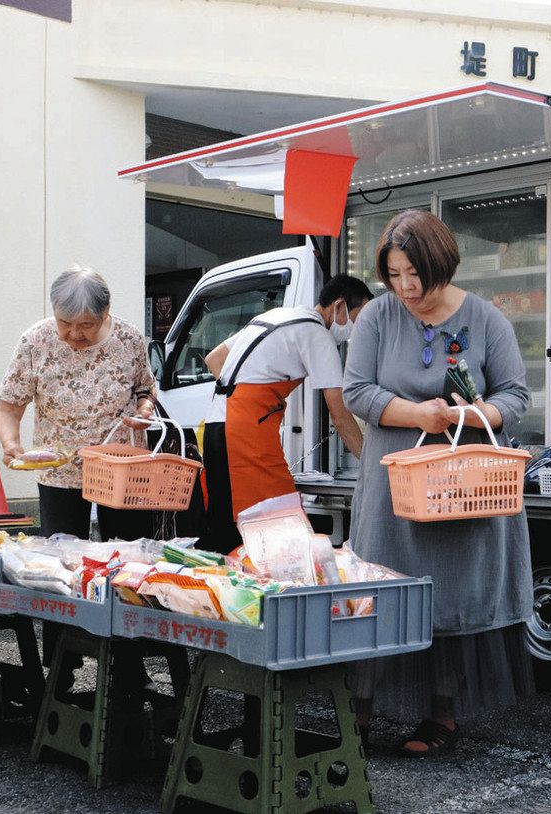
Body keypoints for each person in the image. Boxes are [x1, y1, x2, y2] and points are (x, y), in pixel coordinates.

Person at [342, 210, 534, 756]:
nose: (405, 288)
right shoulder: (377, 317)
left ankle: (441, 714)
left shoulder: (487, 319)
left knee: (448, 587)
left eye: (414, 275)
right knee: (378, 586)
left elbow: (515, 398)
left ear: (441, 265)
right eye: (394, 275)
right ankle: (357, 710)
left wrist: (471, 416)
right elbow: (356, 391)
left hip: (461, 483)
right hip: (394, 483)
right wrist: (414, 413)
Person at [200, 275, 372, 552]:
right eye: (358, 318)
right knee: (276, 525)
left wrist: (251, 395)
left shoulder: (278, 314)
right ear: (339, 306)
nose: (355, 330)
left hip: (216, 426)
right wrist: (371, 462)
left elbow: (214, 359)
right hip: (245, 434)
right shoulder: (317, 334)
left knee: (224, 527)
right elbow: (340, 416)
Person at [0, 265, 156, 541]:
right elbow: (8, 406)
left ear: (105, 312)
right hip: (60, 470)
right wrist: (11, 444)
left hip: (120, 468)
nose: (74, 334)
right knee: (63, 553)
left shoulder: (128, 339)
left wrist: (145, 409)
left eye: (85, 325)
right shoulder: (36, 341)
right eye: (64, 323)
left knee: (127, 553)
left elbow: (146, 387)